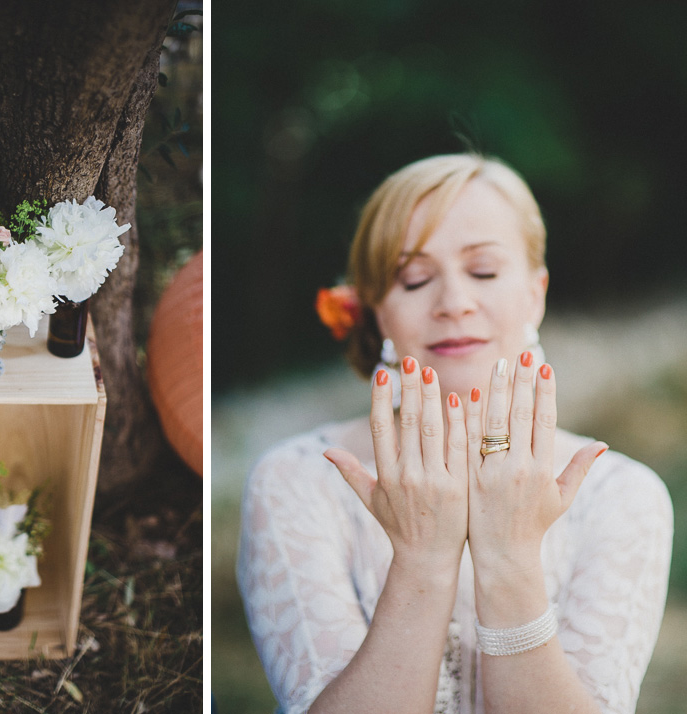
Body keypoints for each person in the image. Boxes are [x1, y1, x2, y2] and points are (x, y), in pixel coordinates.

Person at [236, 154, 673, 714]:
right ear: (375, 311)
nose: (454, 304)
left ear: (535, 294)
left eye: (484, 271)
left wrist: (510, 556)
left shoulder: (623, 495)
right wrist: (421, 560)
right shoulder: (295, 480)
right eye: (414, 278)